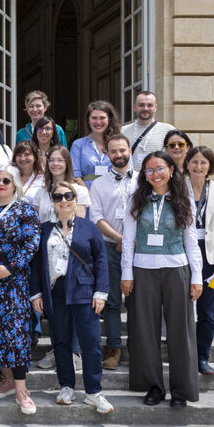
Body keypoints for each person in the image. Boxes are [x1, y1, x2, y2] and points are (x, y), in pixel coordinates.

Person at [121, 151, 203, 407]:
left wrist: (197, 277)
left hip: (176, 268)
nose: (154, 174)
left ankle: (181, 391)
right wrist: (127, 273)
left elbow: (191, 242)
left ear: (170, 170)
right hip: (143, 268)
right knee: (144, 330)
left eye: (159, 169)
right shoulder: (136, 200)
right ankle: (153, 386)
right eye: (148, 170)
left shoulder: (184, 199)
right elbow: (127, 241)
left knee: (181, 331)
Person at [30, 181, 114, 414]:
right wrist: (36, 293)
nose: (64, 200)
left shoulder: (89, 228)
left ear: (76, 200)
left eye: (68, 196)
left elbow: (101, 261)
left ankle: (93, 391)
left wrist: (101, 292)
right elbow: (36, 264)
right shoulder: (44, 229)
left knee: (91, 343)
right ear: (53, 202)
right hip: (56, 291)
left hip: (84, 291)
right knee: (61, 341)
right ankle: (66, 386)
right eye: (58, 197)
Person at [0, 166, 41, 415]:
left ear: (15, 184)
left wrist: (10, 268)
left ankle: (22, 391)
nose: (1, 183)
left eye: (7, 180)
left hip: (13, 283)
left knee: (15, 335)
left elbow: (31, 244)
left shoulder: (25, 209)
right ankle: (6, 380)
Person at [90, 133, 137, 370]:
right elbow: (96, 216)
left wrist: (131, 240)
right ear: (107, 155)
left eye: (122, 150)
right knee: (112, 301)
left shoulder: (144, 180)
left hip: (140, 249)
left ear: (130, 151)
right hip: (109, 247)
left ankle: (139, 348)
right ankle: (114, 348)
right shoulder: (99, 184)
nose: (119, 155)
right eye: (114, 151)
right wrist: (120, 238)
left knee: (139, 301)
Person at [184, 146, 214, 376]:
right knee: (181, 308)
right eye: (194, 162)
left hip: (211, 256)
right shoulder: (177, 187)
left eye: (203, 163)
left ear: (210, 166)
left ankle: (202, 357)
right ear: (187, 164)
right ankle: (184, 355)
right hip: (182, 253)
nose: (198, 167)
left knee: (208, 309)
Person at [71, 100, 120, 188]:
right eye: (94, 118)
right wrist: (89, 195)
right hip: (88, 194)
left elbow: (126, 169)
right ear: (88, 120)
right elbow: (75, 175)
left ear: (109, 119)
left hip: (114, 192)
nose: (98, 122)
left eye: (102, 118)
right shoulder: (78, 145)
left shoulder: (119, 143)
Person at [36, 146, 91, 224]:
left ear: (67, 163)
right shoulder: (41, 193)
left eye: (60, 160)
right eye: (51, 160)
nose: (55, 164)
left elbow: (79, 224)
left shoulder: (80, 191)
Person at [121, 91, 175, 172]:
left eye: (149, 105)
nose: (145, 108)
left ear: (155, 108)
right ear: (134, 107)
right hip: (130, 181)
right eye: (141, 105)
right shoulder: (122, 131)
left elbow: (177, 157)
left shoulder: (168, 130)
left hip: (157, 180)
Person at [13, 140, 44, 209]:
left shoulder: (43, 179)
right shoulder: (10, 177)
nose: (23, 158)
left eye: (27, 154)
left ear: (35, 157)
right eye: (19, 155)